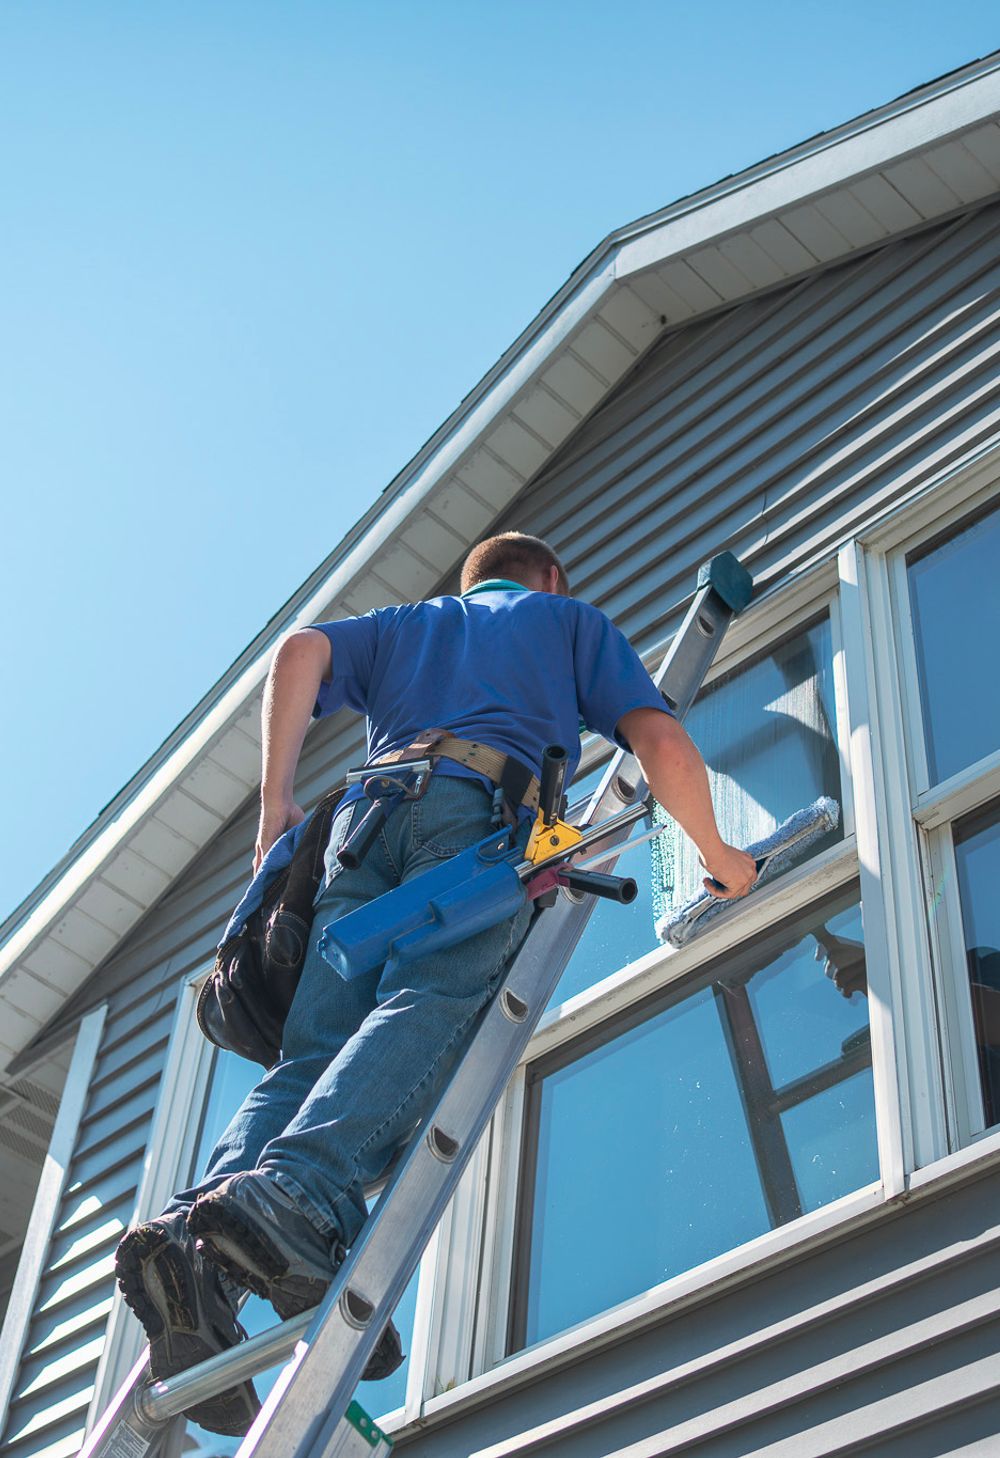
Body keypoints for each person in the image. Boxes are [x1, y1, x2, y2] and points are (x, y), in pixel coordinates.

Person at [114, 531, 757, 1435]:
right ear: (551, 576)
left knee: (310, 1057)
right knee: (431, 1000)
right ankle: (299, 1195)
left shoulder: (413, 625)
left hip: (359, 827)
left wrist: (276, 807)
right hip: (472, 822)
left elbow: (296, 651)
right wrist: (721, 856)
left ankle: (195, 1237)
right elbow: (658, 739)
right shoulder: (565, 623)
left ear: (472, 579)